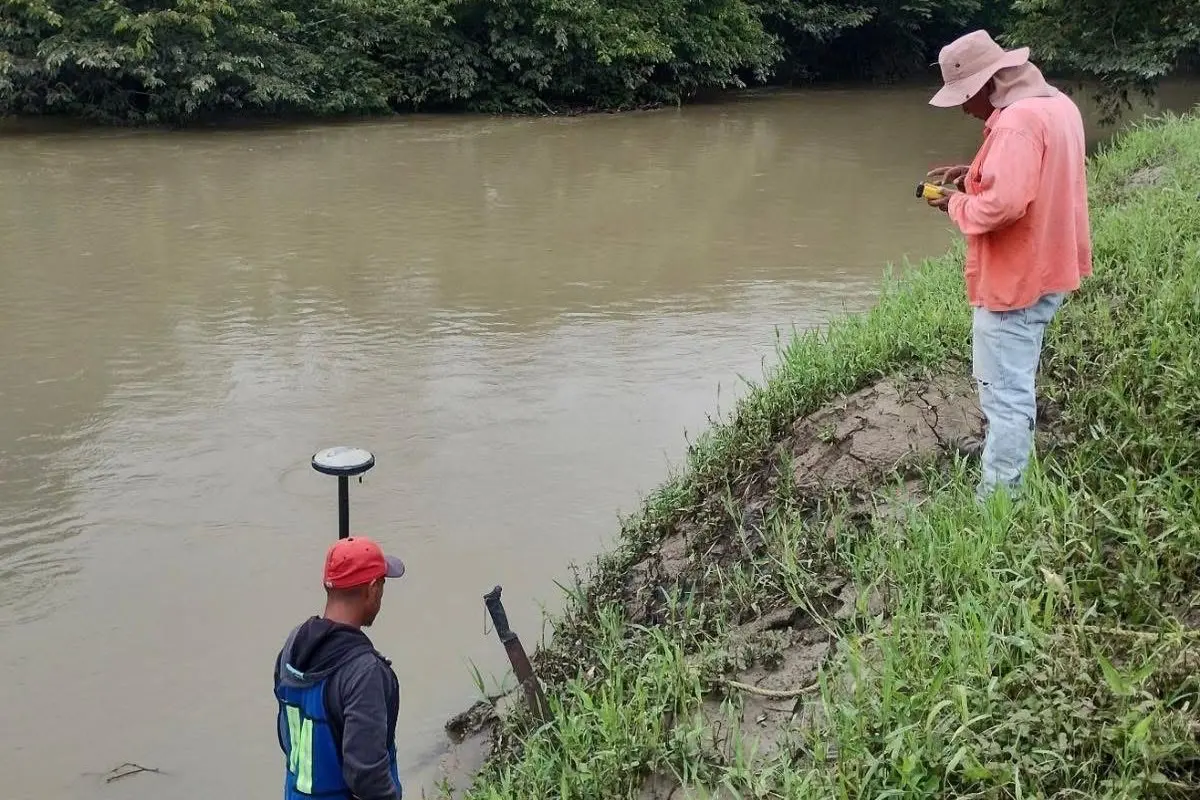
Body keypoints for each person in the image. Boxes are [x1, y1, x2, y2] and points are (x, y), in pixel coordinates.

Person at [924, 29, 1092, 499]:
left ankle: (999, 502)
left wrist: (956, 203)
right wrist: (974, 172)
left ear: (985, 84)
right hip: (1049, 269)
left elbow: (1002, 207)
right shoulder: (1056, 104)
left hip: (1015, 281)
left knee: (1004, 397)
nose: (962, 107)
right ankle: (1014, 474)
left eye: (963, 96)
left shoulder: (1016, 123)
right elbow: (1033, 175)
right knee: (1016, 382)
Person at [274, 536, 407, 800]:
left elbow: (285, 737)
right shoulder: (364, 672)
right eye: (382, 584)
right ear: (371, 589)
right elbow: (367, 776)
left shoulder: (293, 644)